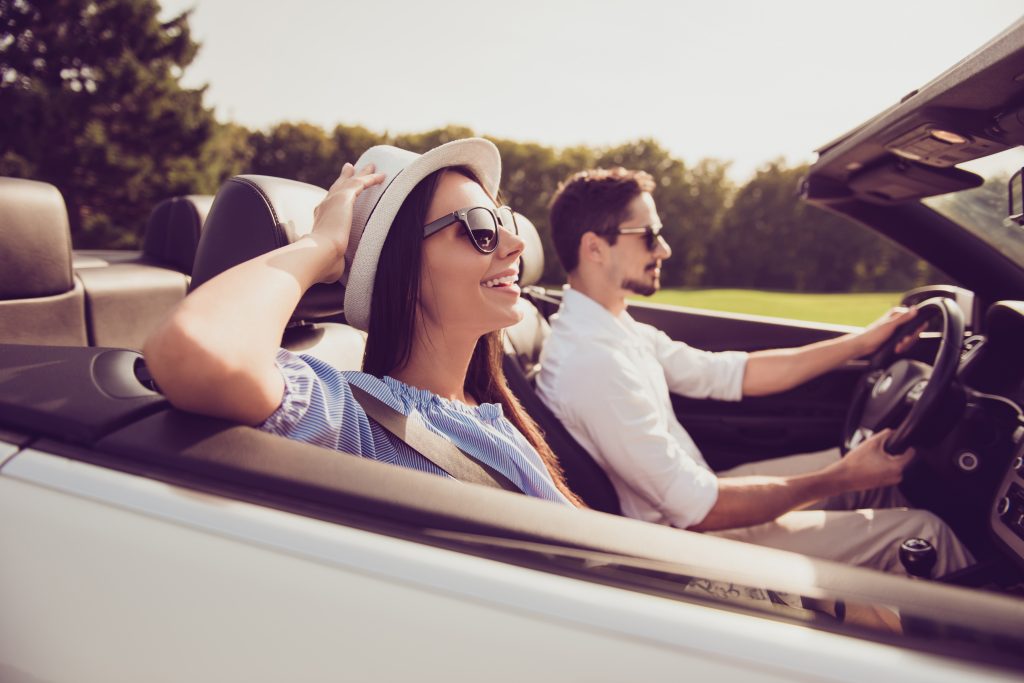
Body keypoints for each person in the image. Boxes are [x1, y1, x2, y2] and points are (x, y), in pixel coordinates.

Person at [536, 166, 974, 575]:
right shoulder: (593, 362)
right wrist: (841, 478)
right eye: (649, 235)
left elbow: (731, 374)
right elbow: (699, 510)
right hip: (689, 539)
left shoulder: (614, 328)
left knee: (868, 476)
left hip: (694, 495)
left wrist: (862, 342)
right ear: (594, 247)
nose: (664, 248)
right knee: (924, 533)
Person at [144, 138, 583, 507]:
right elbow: (193, 350)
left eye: (502, 220)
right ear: (404, 271)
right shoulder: (358, 421)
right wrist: (322, 244)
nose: (517, 243)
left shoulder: (491, 411)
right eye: (481, 228)